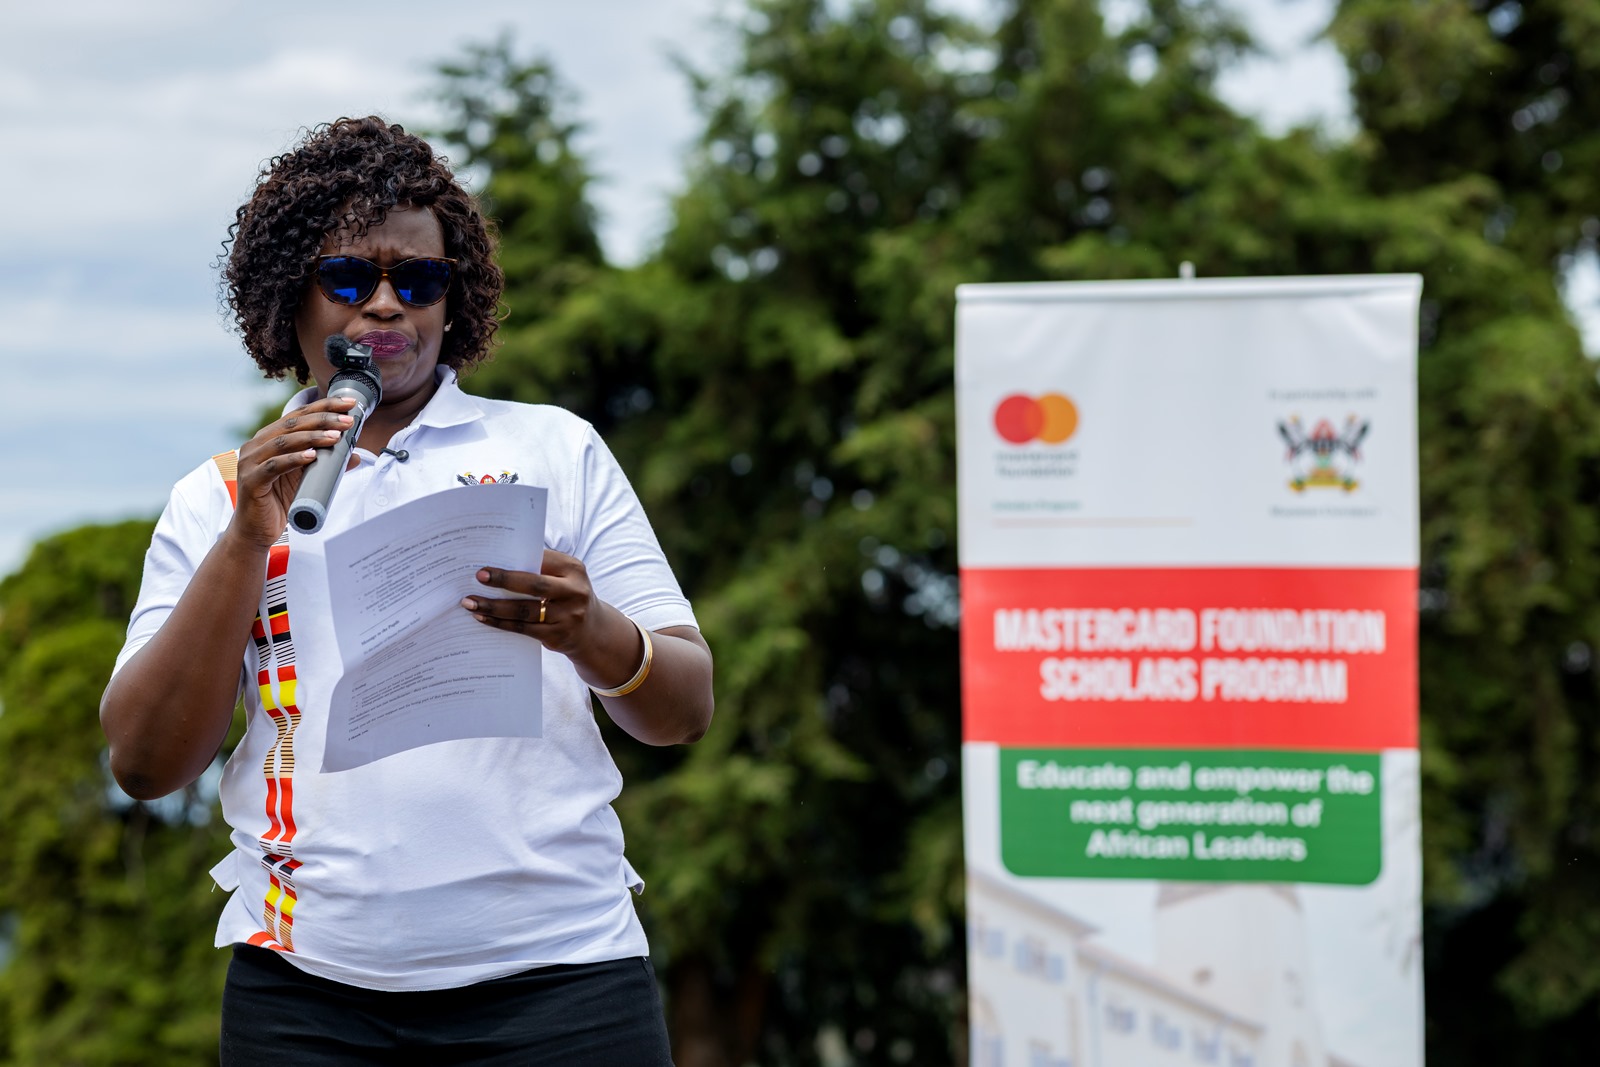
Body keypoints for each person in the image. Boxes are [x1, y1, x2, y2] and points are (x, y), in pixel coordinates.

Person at [99, 116, 713, 1065]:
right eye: (350, 278)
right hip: (309, 999)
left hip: (563, 984)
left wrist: (594, 634)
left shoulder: (554, 449)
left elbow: (685, 706)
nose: (387, 307)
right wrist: (242, 542)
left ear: (450, 302)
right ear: (287, 299)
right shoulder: (218, 494)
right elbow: (143, 762)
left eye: (419, 281)